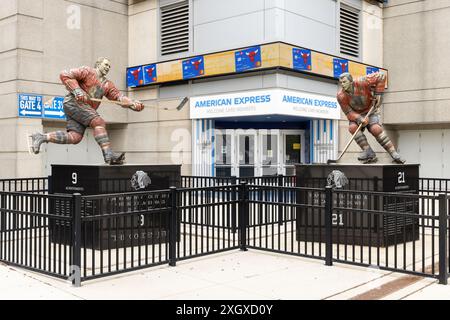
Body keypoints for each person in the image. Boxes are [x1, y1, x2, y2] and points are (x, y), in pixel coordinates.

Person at [29, 57, 144, 165]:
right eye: (106, 65)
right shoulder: (87, 71)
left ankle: (41, 137)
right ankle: (108, 155)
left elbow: (118, 97)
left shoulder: (108, 85)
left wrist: (132, 104)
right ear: (98, 64)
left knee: (75, 137)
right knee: (98, 122)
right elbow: (65, 74)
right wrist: (77, 90)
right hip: (74, 103)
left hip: (80, 109)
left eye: (109, 66)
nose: (108, 68)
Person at [337, 72, 405, 164]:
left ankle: (393, 153)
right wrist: (359, 118)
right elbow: (348, 112)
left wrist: (379, 94)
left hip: (371, 111)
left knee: (376, 129)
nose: (342, 84)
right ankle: (368, 151)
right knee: (352, 128)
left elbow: (381, 76)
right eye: (340, 82)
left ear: (351, 81)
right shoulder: (341, 96)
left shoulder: (362, 81)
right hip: (357, 115)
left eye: (344, 82)